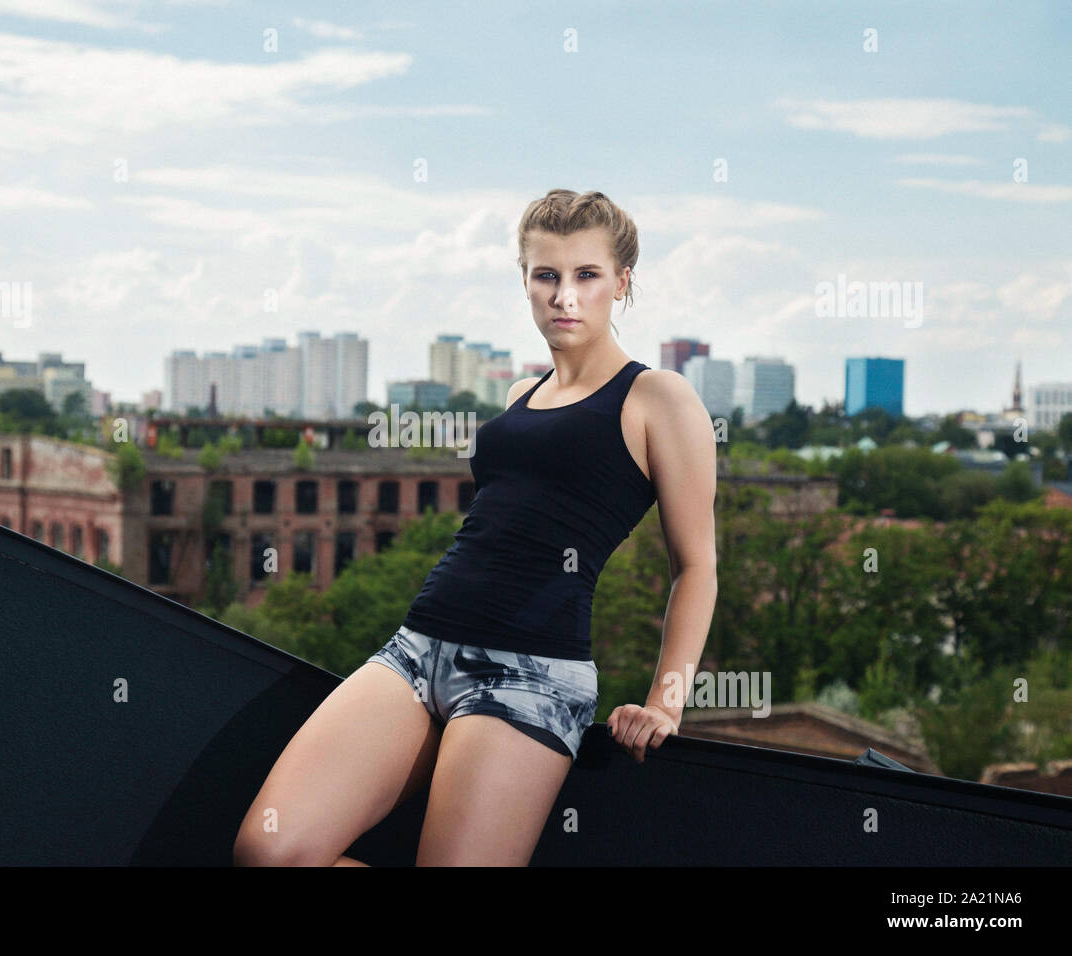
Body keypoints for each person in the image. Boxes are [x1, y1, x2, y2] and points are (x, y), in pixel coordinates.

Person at [233, 188, 718, 866]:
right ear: (525, 280)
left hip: (531, 675)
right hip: (417, 648)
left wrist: (666, 702)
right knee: (269, 853)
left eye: (587, 275)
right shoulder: (521, 396)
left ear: (622, 283)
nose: (564, 296)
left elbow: (696, 564)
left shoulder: (658, 397)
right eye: (546, 275)